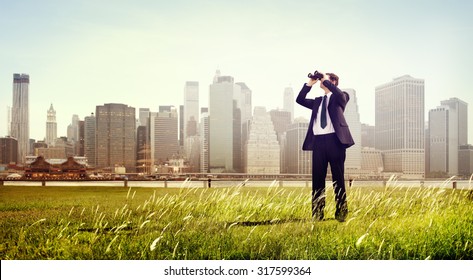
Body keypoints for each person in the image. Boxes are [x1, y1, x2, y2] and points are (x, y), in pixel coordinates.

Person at [296, 71, 354, 222]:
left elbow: (340, 95)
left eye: (325, 80)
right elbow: (299, 99)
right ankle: (317, 214)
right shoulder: (317, 101)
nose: (322, 81)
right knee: (317, 181)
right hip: (319, 143)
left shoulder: (341, 97)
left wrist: (325, 79)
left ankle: (341, 213)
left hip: (335, 141)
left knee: (338, 180)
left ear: (333, 82)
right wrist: (310, 83)